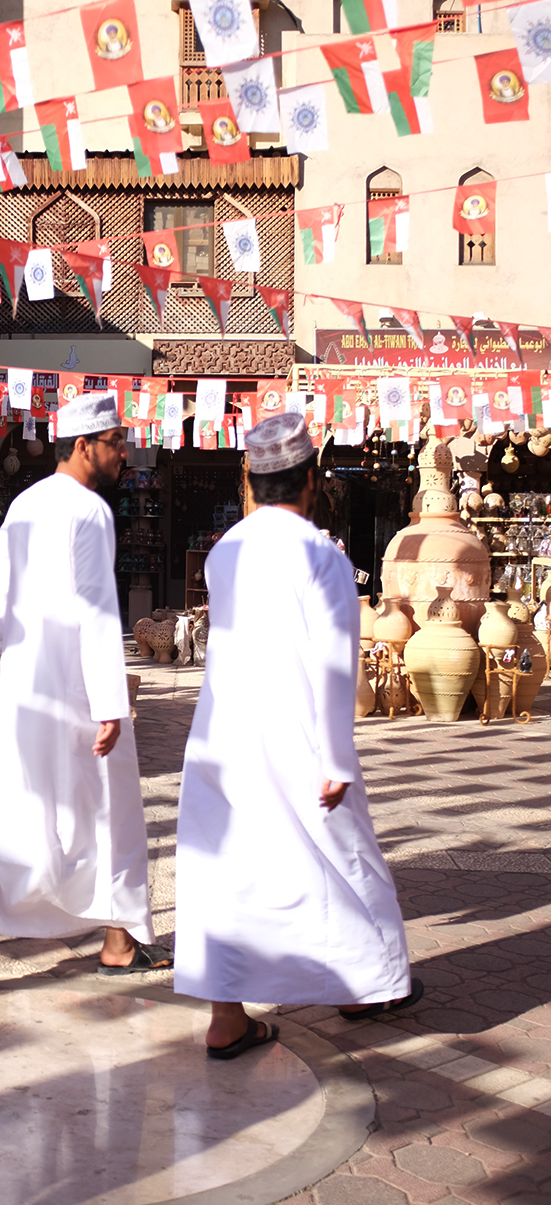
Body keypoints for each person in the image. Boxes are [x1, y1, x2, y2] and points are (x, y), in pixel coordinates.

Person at [175, 411, 421, 1059]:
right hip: (295, 733)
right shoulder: (320, 554)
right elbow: (335, 663)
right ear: (311, 480)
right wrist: (336, 756)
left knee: (227, 871)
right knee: (345, 859)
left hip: (222, 737)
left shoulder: (225, 551)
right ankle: (365, 986)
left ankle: (227, 1017)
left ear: (252, 481)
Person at [0, 391, 172, 993]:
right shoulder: (90, 511)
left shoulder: (24, 505)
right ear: (84, 445)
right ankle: (119, 942)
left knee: (10, 809)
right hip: (75, 687)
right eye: (115, 443)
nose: (124, 454)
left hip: (25, 683)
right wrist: (110, 703)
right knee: (110, 809)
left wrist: (12, 657)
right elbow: (98, 610)